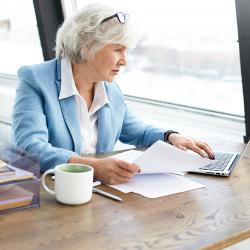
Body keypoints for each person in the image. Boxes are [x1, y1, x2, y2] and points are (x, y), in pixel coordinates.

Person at [12, 3, 214, 185]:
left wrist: (172, 136)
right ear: (88, 46)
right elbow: (31, 148)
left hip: (98, 194)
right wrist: (91, 167)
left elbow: (138, 132)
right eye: (118, 50)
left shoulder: (110, 90)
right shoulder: (35, 79)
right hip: (52, 192)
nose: (124, 61)